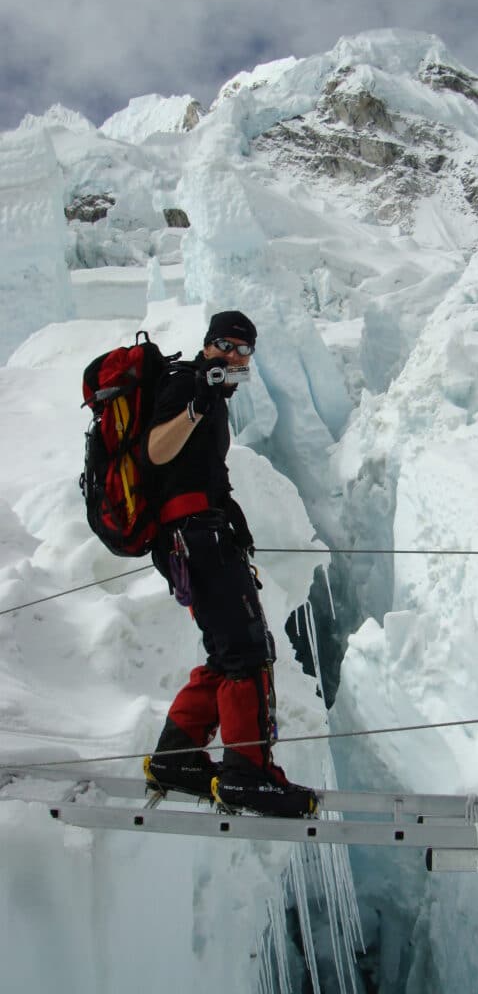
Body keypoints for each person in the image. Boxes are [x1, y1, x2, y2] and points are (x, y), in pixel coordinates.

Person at [143, 310, 316, 817]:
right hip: (196, 540)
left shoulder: (211, 395)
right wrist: (197, 404)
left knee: (228, 652)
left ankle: (175, 759)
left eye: (244, 351)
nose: (234, 357)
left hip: (201, 539)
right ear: (207, 345)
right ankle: (247, 773)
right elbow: (156, 451)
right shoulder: (185, 384)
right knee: (248, 651)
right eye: (225, 345)